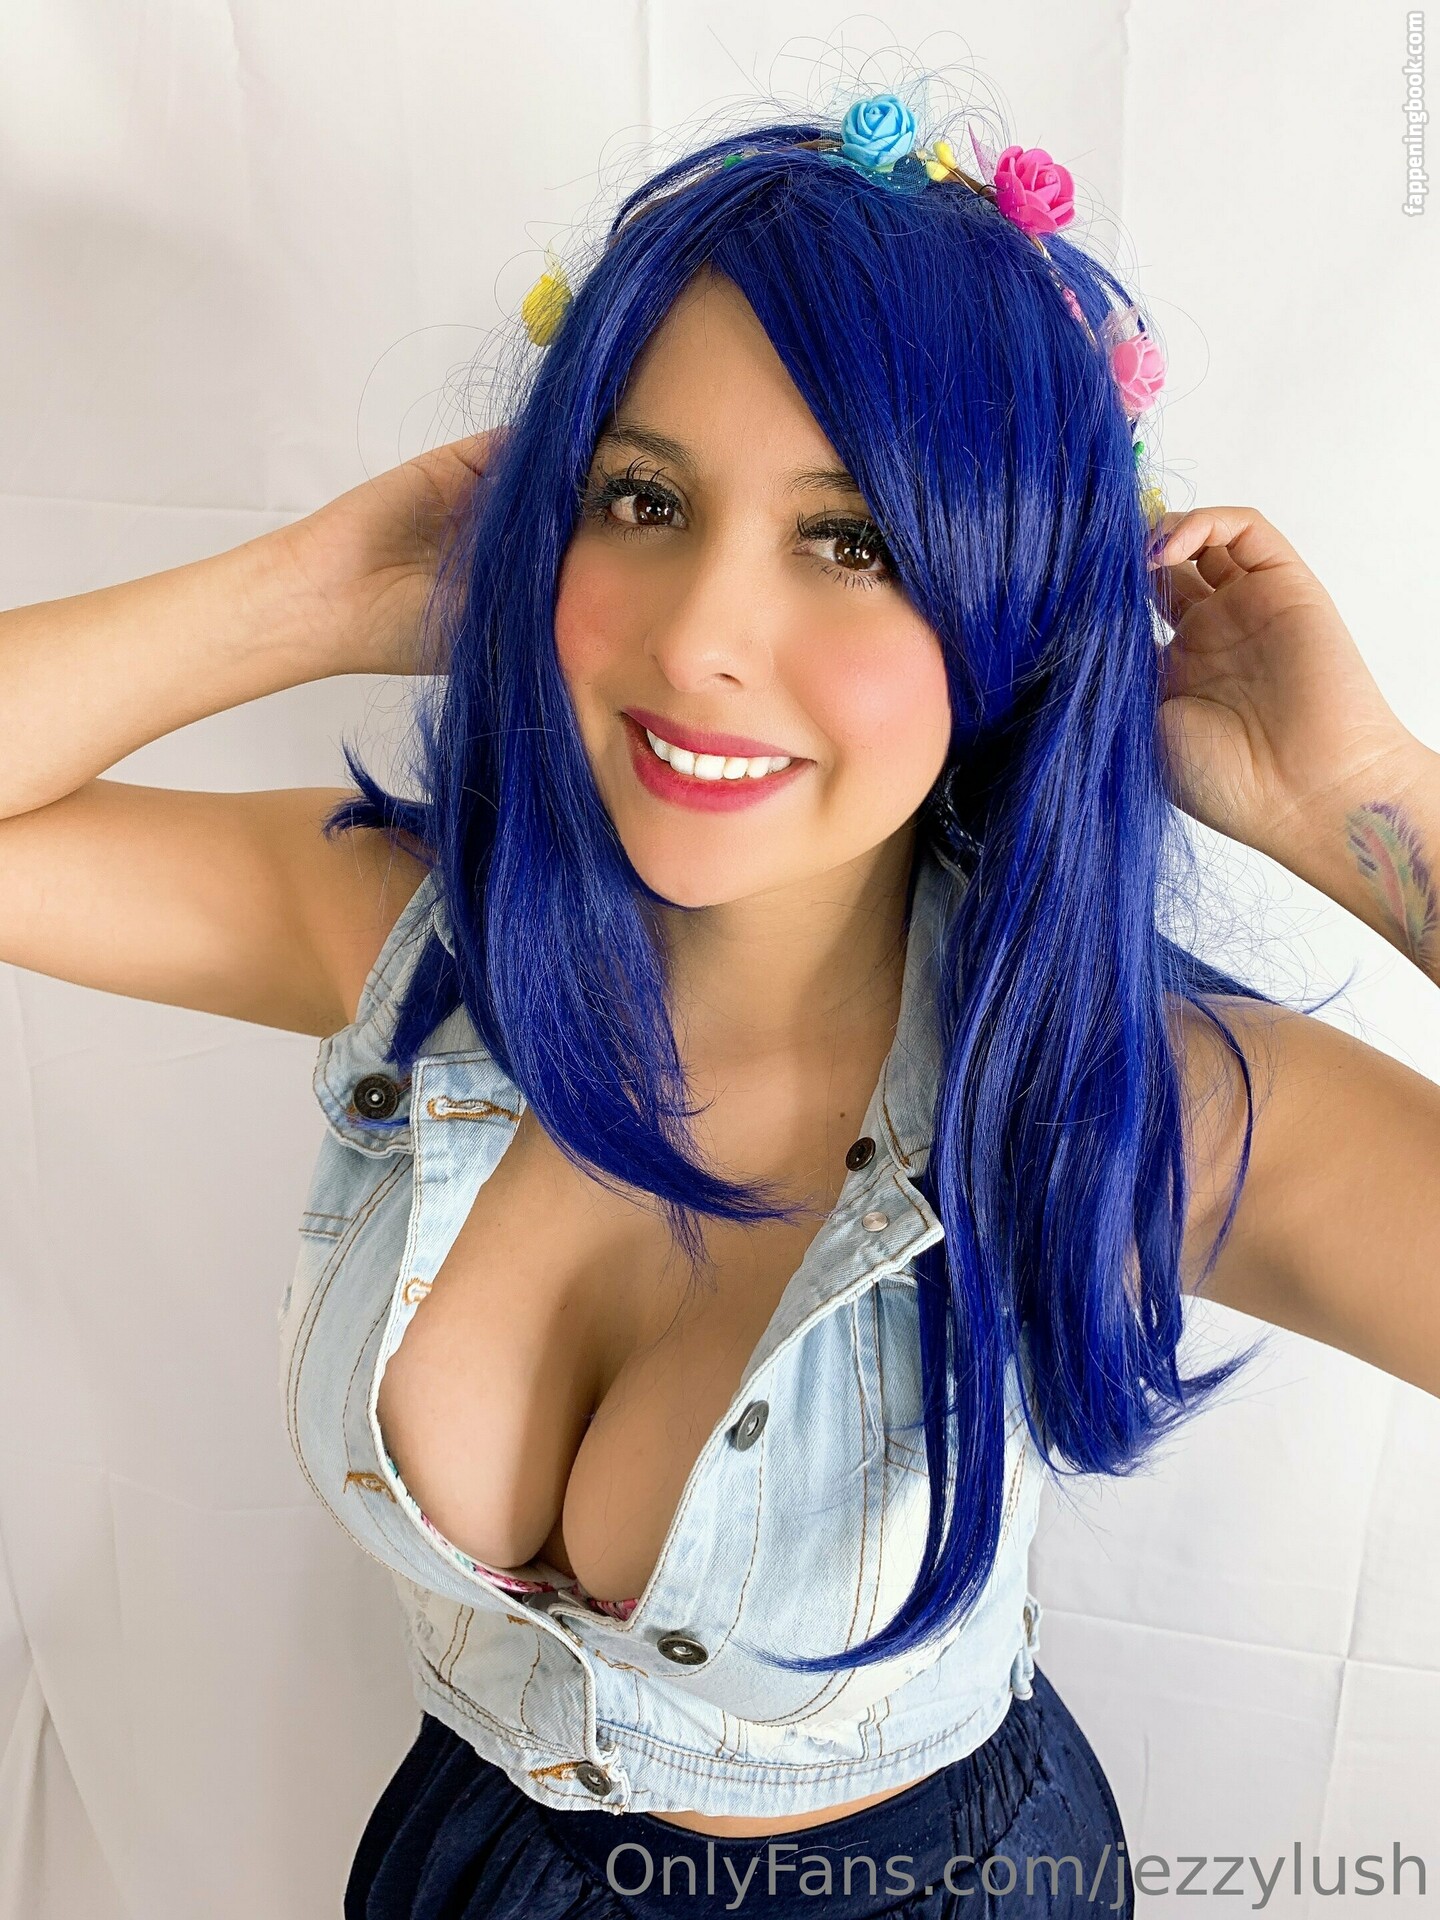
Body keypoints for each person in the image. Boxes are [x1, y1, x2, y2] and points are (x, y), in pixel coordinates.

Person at [2, 91, 1437, 1920]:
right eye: (645, 501)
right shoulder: (423, 946)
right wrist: (311, 591)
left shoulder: (1116, 1100)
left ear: (1011, 612)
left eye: (854, 542)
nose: (696, 639)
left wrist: (1364, 804)